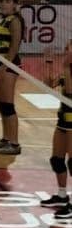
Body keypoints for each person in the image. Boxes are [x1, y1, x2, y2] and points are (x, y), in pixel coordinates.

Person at [0, 0, 24, 156]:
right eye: (2, 0)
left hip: (9, 65)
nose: (3, 3)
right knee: (1, 103)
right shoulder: (4, 20)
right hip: (0, 64)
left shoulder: (15, 21)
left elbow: (14, 48)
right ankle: (5, 138)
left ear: (15, 5)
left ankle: (15, 144)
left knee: (8, 105)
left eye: (8, 1)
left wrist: (3, 67)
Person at [41, 40, 72, 217]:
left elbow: (69, 90)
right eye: (66, 48)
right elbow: (48, 85)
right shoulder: (66, 70)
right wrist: (49, 61)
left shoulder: (69, 70)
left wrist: (66, 66)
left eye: (68, 48)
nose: (66, 51)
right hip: (62, 120)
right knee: (56, 159)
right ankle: (61, 195)